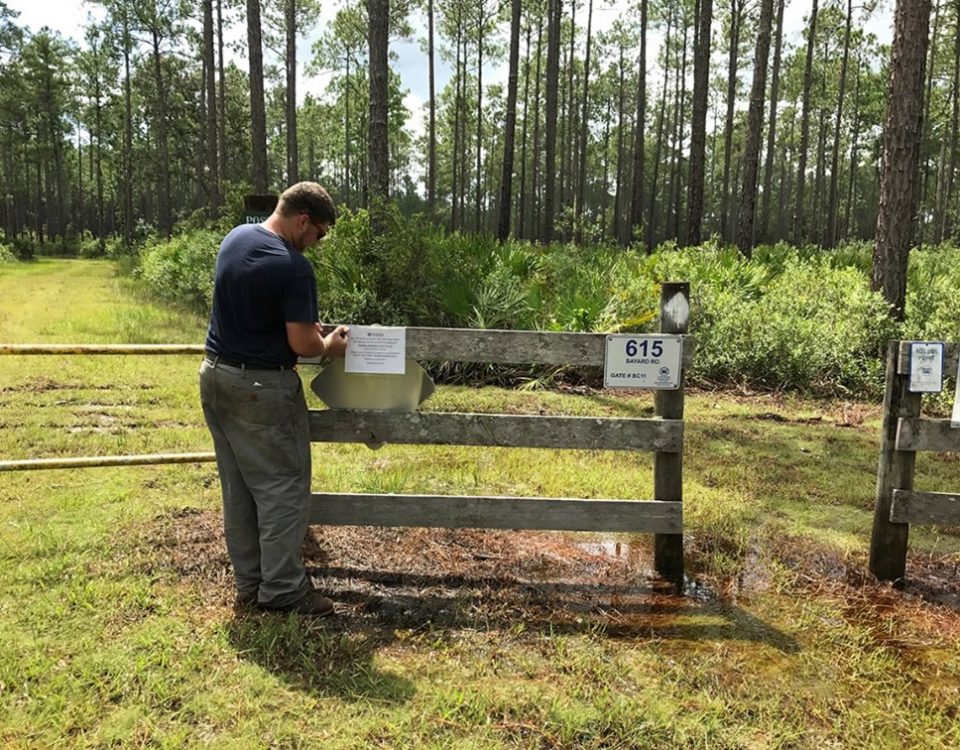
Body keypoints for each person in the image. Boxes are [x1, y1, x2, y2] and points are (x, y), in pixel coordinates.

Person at [199, 182, 349, 616]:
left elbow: (255, 313)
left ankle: (251, 584)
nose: (317, 243)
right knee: (283, 487)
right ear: (303, 220)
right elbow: (304, 345)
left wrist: (302, 327)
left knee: (239, 488)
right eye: (319, 234)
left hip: (215, 375)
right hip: (262, 389)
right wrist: (330, 344)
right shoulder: (293, 267)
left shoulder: (236, 238)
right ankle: (283, 589)